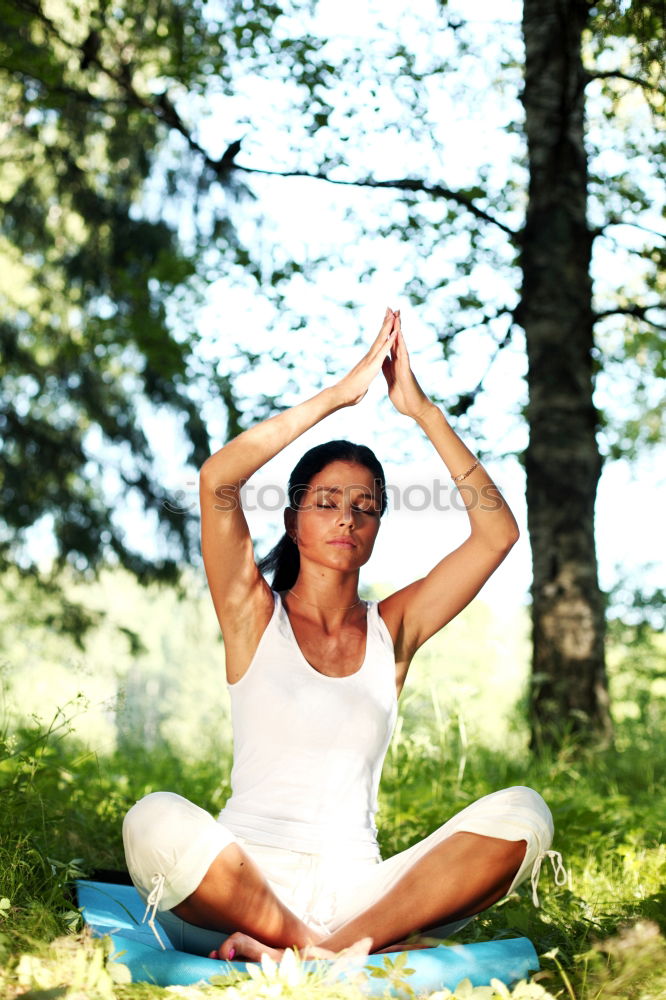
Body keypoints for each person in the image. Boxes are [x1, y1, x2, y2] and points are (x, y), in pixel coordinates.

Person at [122, 308, 565, 962]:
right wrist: (339, 396)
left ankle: (307, 952)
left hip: (361, 893)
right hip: (236, 887)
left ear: (378, 527)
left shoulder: (394, 629)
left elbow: (497, 535)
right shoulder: (251, 611)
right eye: (327, 502)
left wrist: (420, 411)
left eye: (365, 507)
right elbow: (218, 479)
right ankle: (322, 951)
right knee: (153, 819)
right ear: (294, 518)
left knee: (525, 815)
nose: (347, 519)